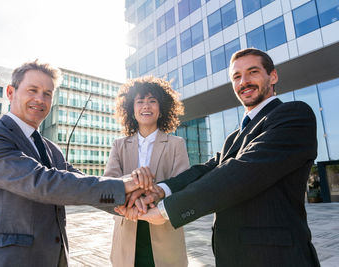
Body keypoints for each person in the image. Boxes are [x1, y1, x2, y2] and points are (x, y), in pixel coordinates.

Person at [124, 48, 321, 267]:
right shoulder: (234, 137)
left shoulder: (293, 115)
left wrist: (167, 209)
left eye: (252, 72)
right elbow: (207, 170)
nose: (243, 82)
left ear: (273, 76)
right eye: (236, 77)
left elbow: (243, 171)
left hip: (276, 258)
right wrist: (162, 190)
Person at [0, 60, 153, 267]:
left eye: (47, 93)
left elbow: (78, 183)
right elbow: (41, 181)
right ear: (11, 92)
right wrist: (122, 185)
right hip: (5, 261)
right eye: (33, 90)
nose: (40, 99)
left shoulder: (51, 148)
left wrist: (133, 203)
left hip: (53, 259)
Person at [104, 76, 190, 267]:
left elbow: (183, 185)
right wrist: (131, 204)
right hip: (126, 230)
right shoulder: (119, 145)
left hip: (164, 229)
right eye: (140, 101)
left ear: (162, 109)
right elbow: (108, 185)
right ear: (131, 109)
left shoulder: (176, 144)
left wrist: (151, 200)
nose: (146, 106)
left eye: (152, 101)